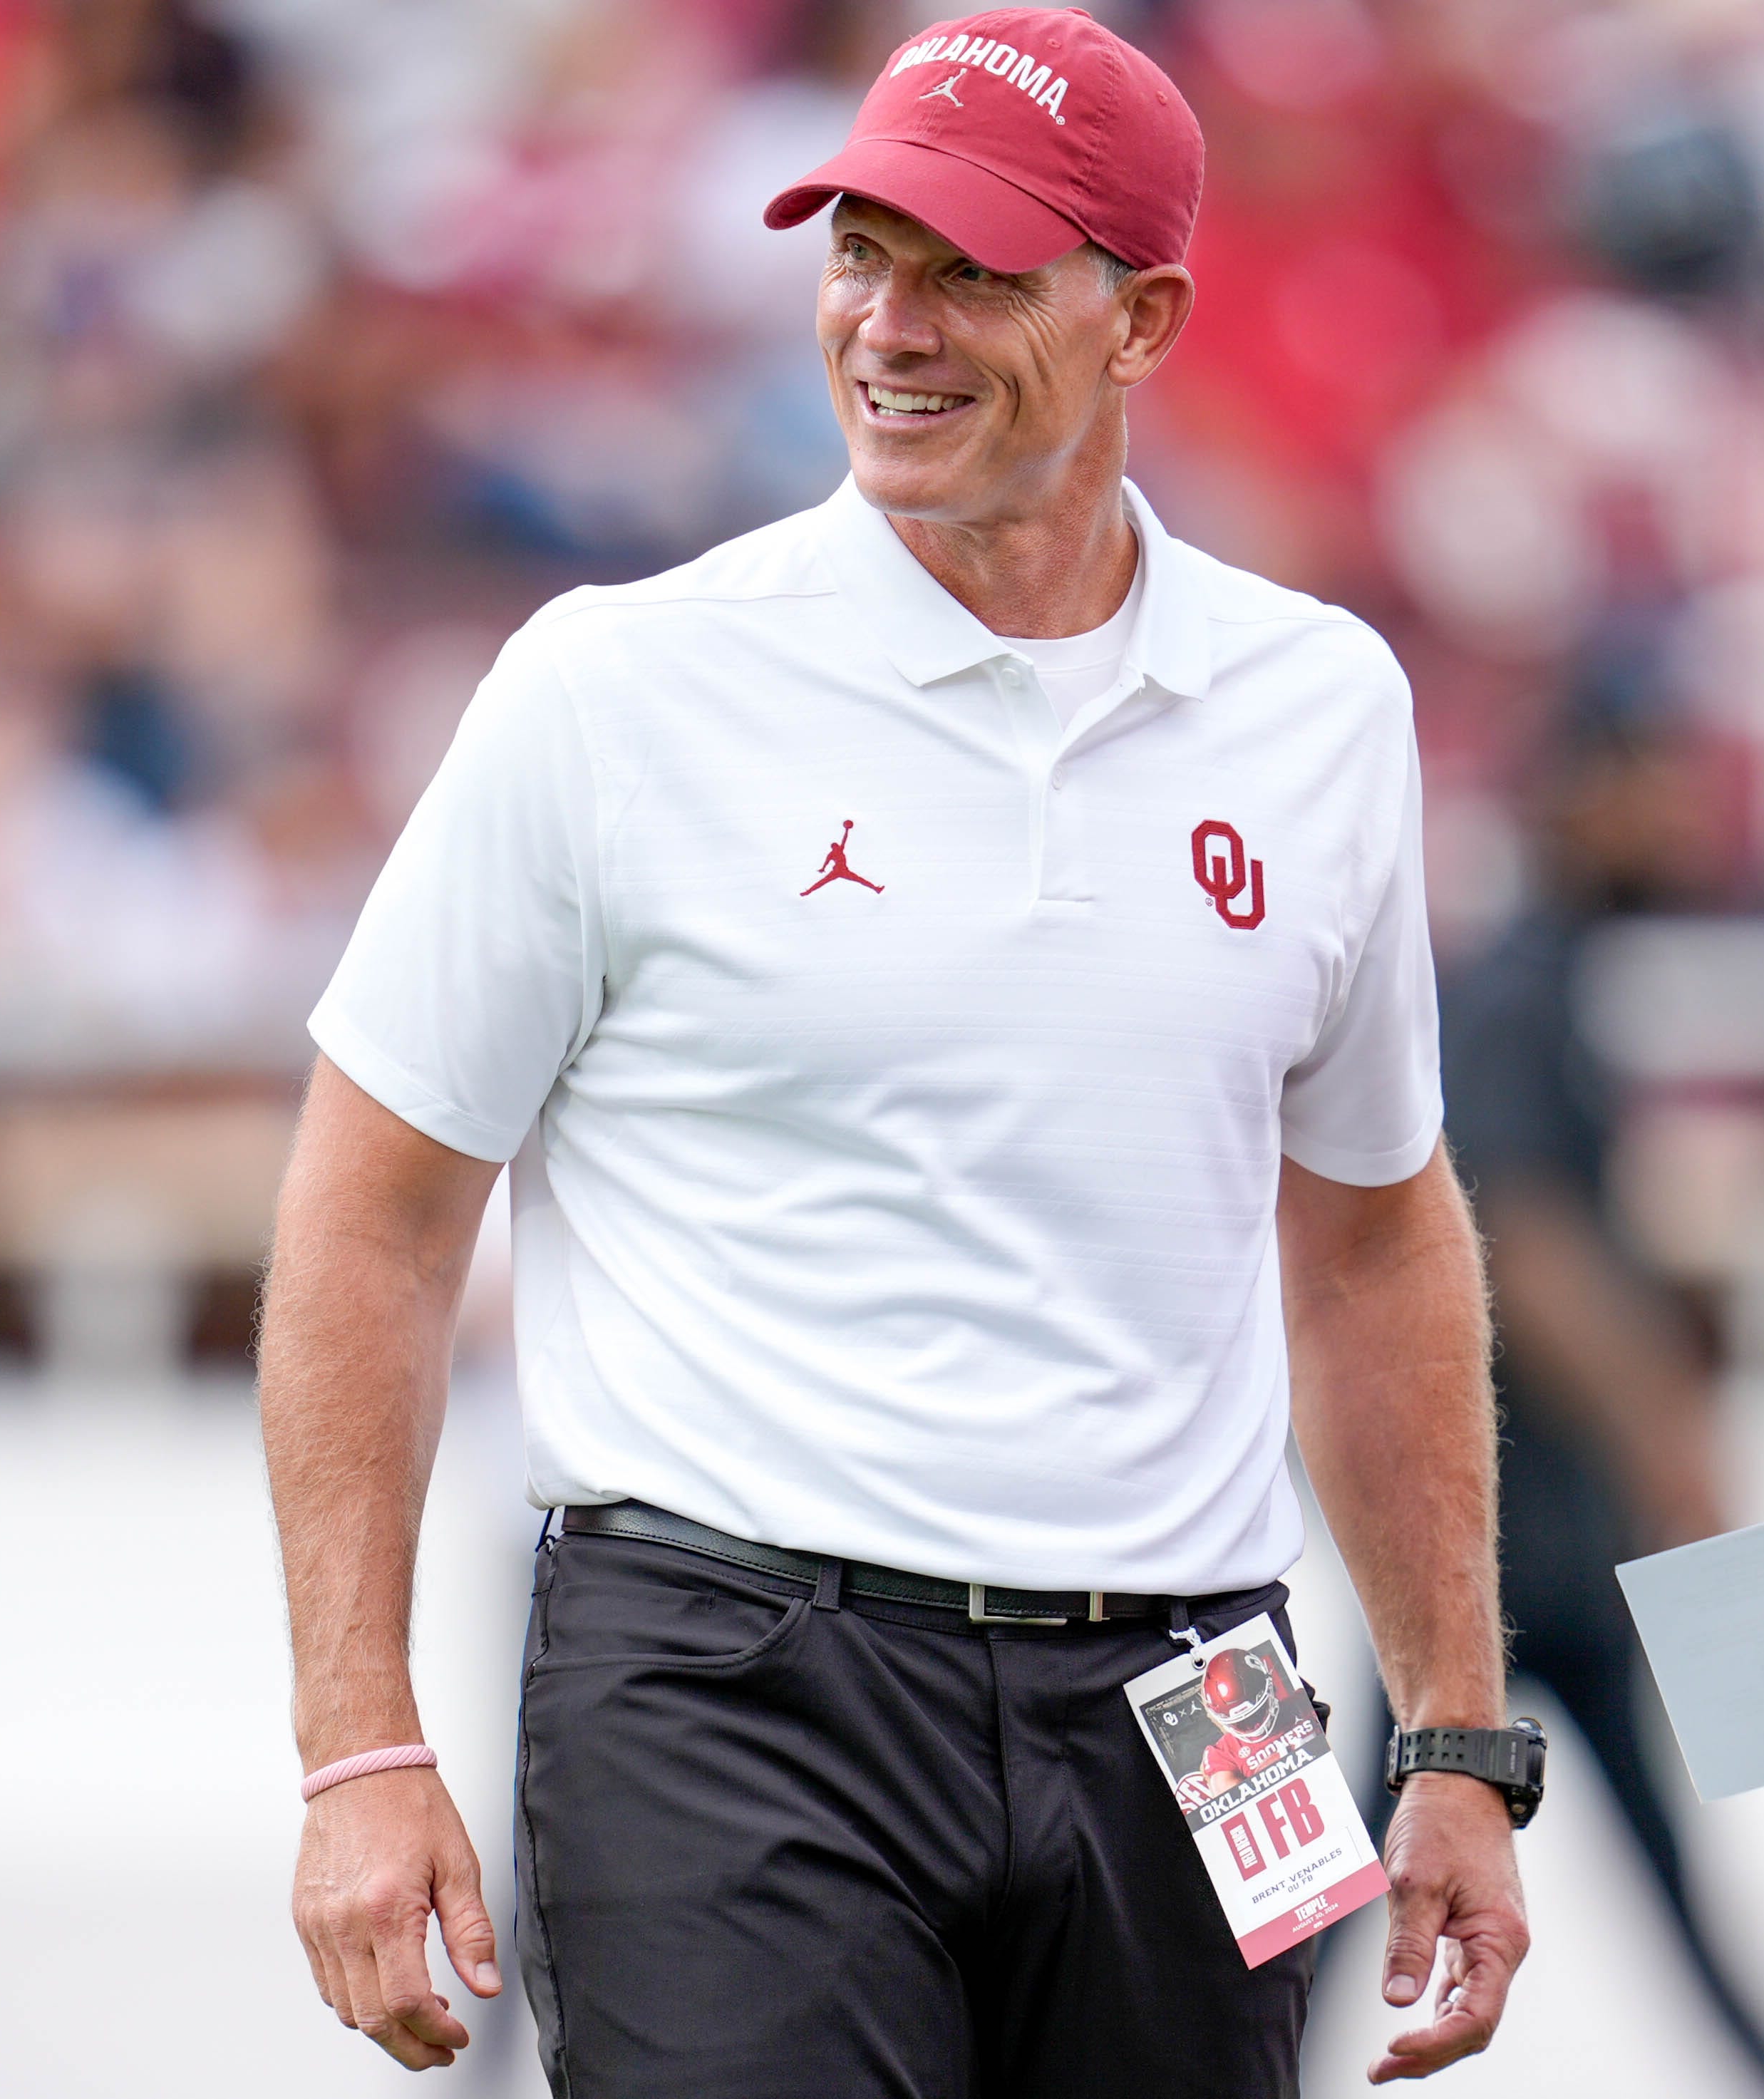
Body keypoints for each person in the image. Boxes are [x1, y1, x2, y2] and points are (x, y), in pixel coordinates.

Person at [256, 12, 1532, 2094]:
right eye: (859, 253)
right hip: (728, 1677)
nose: (890, 323)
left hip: (1211, 1697)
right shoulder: (618, 688)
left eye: (973, 271)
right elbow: (374, 1213)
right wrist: (359, 1743)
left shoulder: (1323, 708)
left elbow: (1377, 1237)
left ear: (1146, 321)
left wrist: (1461, 1738)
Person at [1411, 638, 1764, 2099]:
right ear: (1580, 790)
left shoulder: (1557, 975)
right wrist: (1669, 1433)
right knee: (1351, 1872)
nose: (1684, 811)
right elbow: (1524, 1235)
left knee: (1355, 1874)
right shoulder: (1515, 984)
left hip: (1518, 1539)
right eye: (1654, 780)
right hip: (1523, 1541)